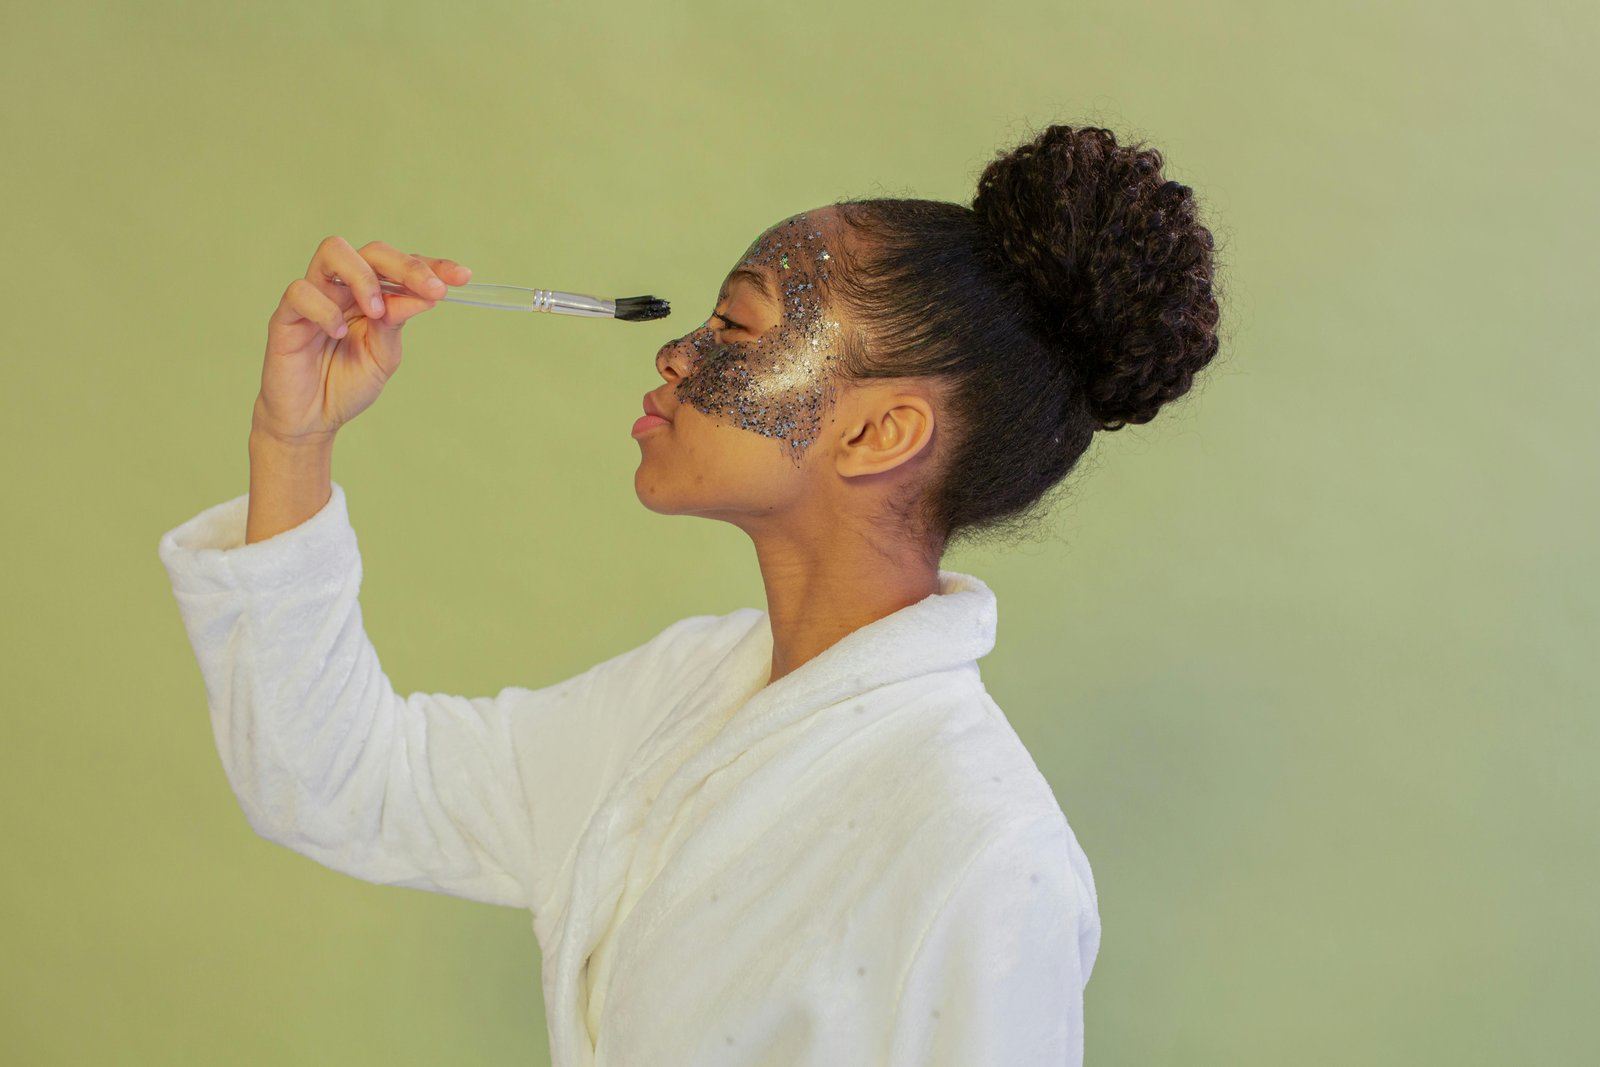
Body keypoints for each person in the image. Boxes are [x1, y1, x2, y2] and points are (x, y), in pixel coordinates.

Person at [158, 124, 1223, 1066]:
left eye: (736, 326)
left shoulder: (984, 855)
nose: (674, 354)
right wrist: (291, 439)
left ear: (878, 432)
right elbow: (342, 784)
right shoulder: (683, 690)